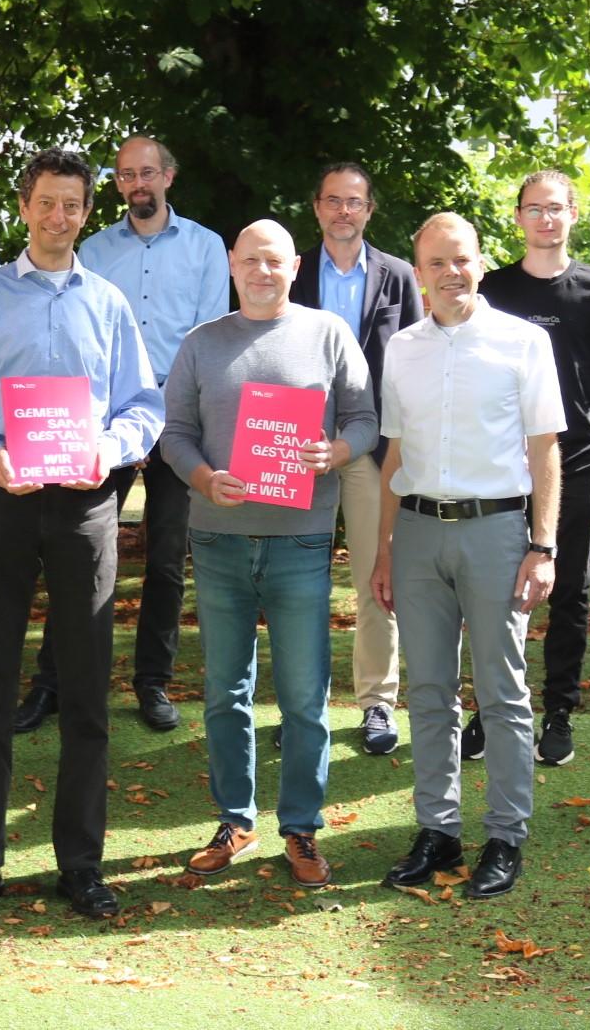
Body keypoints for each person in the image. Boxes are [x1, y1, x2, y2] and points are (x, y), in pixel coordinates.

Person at [0, 148, 163, 920]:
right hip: (1, 500)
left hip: (85, 505)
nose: (58, 217)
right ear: (23, 206)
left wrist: (111, 448)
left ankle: (82, 865)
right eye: (46, 202)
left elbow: (143, 406)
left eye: (72, 204)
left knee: (88, 692)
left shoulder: (109, 303)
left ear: (86, 212)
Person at [160, 219, 376, 887]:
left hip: (302, 539)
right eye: (250, 259)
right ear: (232, 263)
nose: (262, 270)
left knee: (306, 695)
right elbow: (175, 434)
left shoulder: (328, 334)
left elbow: (366, 418)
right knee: (225, 692)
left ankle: (302, 827)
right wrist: (203, 477)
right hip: (219, 538)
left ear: (294, 265)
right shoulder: (202, 343)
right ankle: (235, 817)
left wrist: (334, 452)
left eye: (275, 260)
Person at [371, 213, 564, 900]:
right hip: (419, 533)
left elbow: (546, 450)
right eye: (437, 262)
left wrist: (542, 545)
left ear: (482, 263)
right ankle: (439, 828)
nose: (452, 272)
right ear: (418, 272)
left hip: (496, 532)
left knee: (502, 690)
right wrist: (387, 549)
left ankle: (506, 834)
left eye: (463, 259)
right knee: (426, 689)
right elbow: (394, 453)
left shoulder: (523, 342)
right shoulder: (402, 349)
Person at [16, 135, 228, 734]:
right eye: (128, 175)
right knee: (75, 553)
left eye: (149, 173)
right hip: (100, 423)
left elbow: (206, 335)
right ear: (118, 184)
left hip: (178, 418)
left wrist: (165, 405)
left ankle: (152, 682)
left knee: (164, 559)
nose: (139, 183)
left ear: (169, 177)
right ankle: (52, 681)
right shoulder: (97, 249)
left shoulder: (207, 247)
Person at [475, 169, 590, 766]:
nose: (545, 219)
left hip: (576, 462)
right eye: (534, 208)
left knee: (569, 588)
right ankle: (493, 710)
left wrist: (571, 415)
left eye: (556, 208)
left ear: (573, 214)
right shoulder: (491, 288)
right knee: (494, 590)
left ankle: (559, 712)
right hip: (501, 464)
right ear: (518, 217)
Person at [288, 162, 423, 755]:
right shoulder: (291, 273)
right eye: (333, 201)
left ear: (369, 210)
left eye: (356, 202)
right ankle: (301, 705)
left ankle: (376, 703)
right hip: (298, 445)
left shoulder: (396, 276)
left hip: (372, 446)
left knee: (376, 576)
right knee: (296, 579)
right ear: (316, 207)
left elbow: (415, 359)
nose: (344, 211)